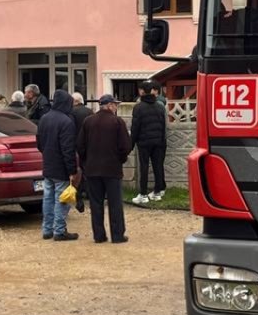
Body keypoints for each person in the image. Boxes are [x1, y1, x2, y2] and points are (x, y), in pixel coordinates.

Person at [77, 94, 133, 244]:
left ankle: (99, 235)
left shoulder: (88, 121)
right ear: (109, 105)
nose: (116, 107)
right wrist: (120, 160)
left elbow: (80, 146)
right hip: (112, 169)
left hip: (92, 169)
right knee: (115, 203)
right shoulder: (117, 122)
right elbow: (125, 146)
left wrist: (85, 163)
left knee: (96, 203)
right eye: (115, 105)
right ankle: (117, 235)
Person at [36, 89, 80, 241]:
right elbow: (68, 149)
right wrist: (72, 170)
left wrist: (47, 154)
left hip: (48, 165)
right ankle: (59, 231)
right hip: (61, 167)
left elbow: (39, 143)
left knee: (47, 198)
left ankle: (47, 229)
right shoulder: (66, 121)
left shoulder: (44, 118)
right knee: (62, 199)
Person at [130, 80, 168, 205]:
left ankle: (143, 194)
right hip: (158, 142)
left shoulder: (138, 107)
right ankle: (157, 192)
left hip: (144, 142)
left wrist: (131, 143)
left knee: (144, 167)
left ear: (142, 91)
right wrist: (162, 141)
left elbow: (135, 127)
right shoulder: (159, 106)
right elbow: (163, 125)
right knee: (158, 166)